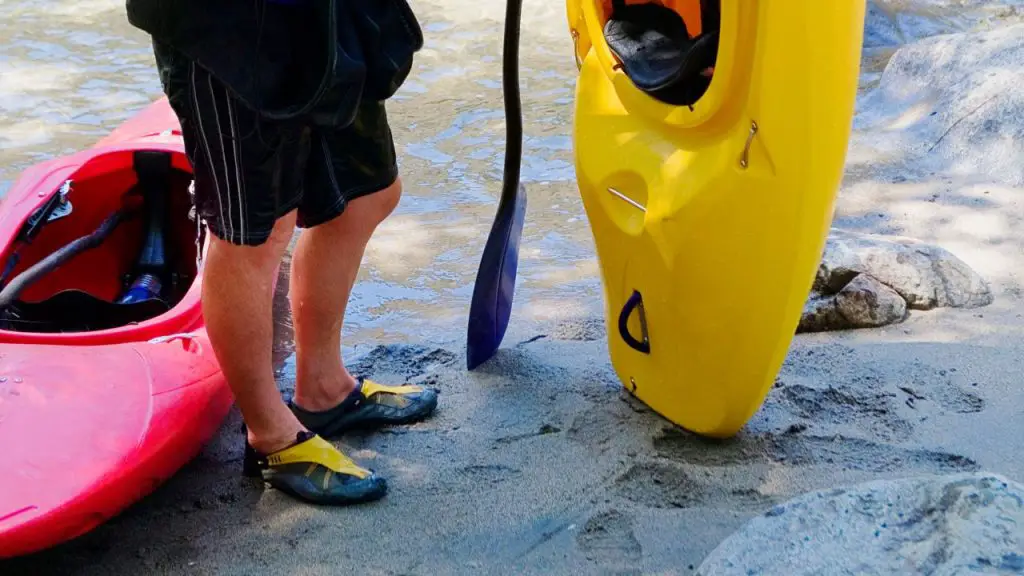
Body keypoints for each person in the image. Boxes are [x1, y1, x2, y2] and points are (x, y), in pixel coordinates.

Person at [125, 0, 437, 505]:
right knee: (256, 230)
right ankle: (270, 436)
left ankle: (324, 389)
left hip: (324, 14)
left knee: (366, 194)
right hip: (232, 30)